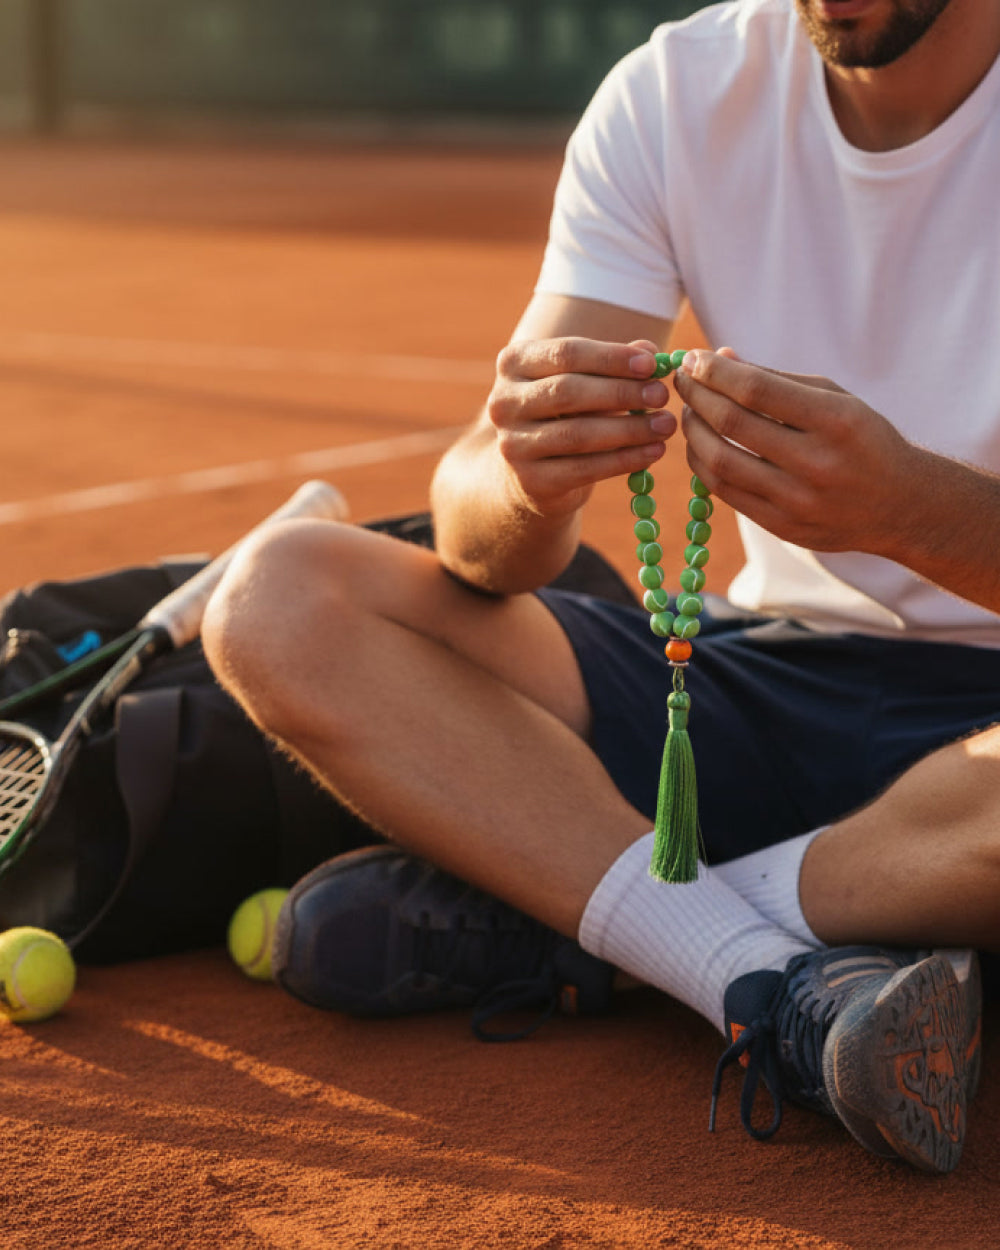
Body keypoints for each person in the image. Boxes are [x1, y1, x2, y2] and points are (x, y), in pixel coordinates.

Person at [201, 0, 1000, 1175]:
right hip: (756, 681)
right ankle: (771, 971)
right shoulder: (680, 90)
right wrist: (525, 482)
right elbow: (480, 533)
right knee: (281, 595)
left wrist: (913, 511)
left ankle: (618, 918)